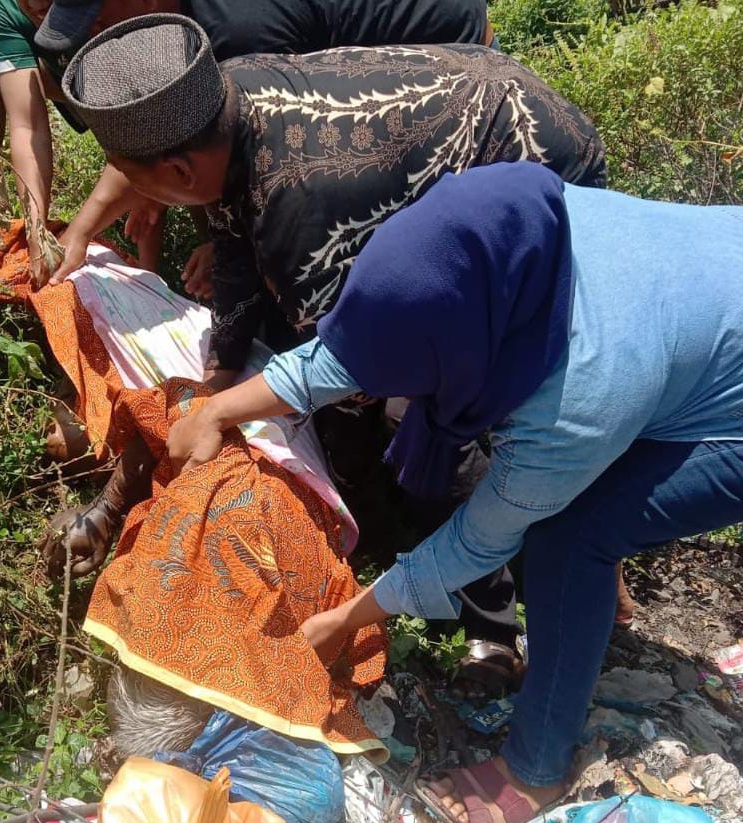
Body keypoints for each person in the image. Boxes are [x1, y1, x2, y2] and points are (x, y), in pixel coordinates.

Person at [164, 161, 743, 823]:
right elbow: (342, 355)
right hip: (696, 309)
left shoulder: (574, 399)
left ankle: (537, 766)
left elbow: (479, 540)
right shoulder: (514, 225)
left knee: (573, 534)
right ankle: (588, 617)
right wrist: (216, 411)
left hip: (706, 392)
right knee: (574, 503)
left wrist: (343, 619)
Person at [59, 13, 608, 686]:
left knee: (437, 408)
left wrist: (316, 467)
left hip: (534, 168)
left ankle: (499, 617)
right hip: (475, 114)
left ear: (177, 167)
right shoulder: (226, 103)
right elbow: (233, 239)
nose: (131, 196)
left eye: (132, 179)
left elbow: (346, 368)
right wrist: (218, 370)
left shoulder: (298, 200)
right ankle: (438, 543)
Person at [0, 0, 496, 290]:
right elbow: (165, 146)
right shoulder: (199, 29)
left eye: (98, 20)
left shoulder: (236, 32)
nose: (95, 40)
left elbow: (250, 144)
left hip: (446, 58)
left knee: (311, 243)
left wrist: (232, 238)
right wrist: (87, 225)